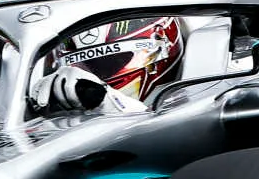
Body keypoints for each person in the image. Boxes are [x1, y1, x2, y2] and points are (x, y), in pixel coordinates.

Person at [31, 15, 185, 113]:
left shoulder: (196, 102)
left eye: (108, 64)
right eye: (82, 65)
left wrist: (105, 99)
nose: (90, 77)